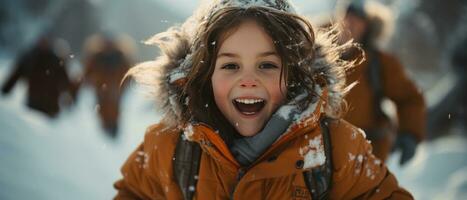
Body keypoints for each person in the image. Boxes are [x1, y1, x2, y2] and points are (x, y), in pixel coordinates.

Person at [114, 0, 413, 199]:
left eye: (267, 65)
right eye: (230, 65)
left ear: (294, 74)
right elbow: (133, 192)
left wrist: (411, 132)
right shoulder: (169, 148)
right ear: (203, 75)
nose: (248, 80)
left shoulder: (337, 149)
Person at [341, 1, 426, 164]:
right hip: (322, 157)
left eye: (356, 21)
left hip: (366, 154)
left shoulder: (379, 63)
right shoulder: (319, 57)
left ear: (366, 27)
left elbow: (410, 98)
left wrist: (410, 133)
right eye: (346, 19)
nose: (349, 25)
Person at [1, 36, 76, 118]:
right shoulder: (53, 61)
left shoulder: (32, 57)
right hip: (46, 107)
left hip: (36, 105)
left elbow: (16, 74)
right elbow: (66, 84)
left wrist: (5, 90)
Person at [81, 33, 133, 138]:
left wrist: (124, 84)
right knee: (103, 110)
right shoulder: (96, 57)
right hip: (102, 91)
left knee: (114, 109)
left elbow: (129, 73)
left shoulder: (121, 57)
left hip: (115, 91)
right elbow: (87, 73)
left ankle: (113, 129)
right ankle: (105, 131)